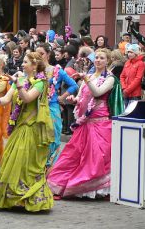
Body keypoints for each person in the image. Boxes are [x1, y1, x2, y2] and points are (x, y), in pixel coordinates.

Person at [47, 48, 119, 199]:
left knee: (96, 157)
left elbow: (98, 93)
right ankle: (60, 184)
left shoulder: (110, 78)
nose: (98, 60)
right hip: (85, 123)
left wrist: (86, 80)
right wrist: (74, 100)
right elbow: (82, 97)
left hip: (100, 123)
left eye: (102, 58)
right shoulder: (91, 75)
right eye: (97, 57)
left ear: (108, 61)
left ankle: (99, 189)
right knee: (73, 154)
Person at [0, 52, 54, 211]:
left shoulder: (40, 82)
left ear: (34, 65)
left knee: (26, 161)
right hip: (19, 127)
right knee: (12, 159)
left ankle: (28, 197)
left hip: (31, 127)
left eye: (25, 62)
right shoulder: (21, 79)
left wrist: (17, 84)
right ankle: (13, 198)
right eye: (23, 62)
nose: (22, 64)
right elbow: (5, 100)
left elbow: (27, 98)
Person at [36, 44, 78, 169]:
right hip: (36, 107)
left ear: (48, 55)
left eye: (41, 54)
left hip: (51, 107)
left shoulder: (56, 71)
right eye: (36, 54)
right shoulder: (33, 70)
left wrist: (62, 97)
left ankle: (50, 169)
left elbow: (73, 85)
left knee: (53, 136)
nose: (38, 57)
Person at [120, 44, 145, 108]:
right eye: (128, 52)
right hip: (126, 93)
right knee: (125, 111)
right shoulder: (127, 62)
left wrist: (127, 90)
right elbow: (122, 76)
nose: (129, 54)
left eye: (131, 52)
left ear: (136, 53)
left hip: (135, 94)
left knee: (133, 113)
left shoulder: (141, 64)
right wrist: (124, 87)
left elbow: (138, 79)